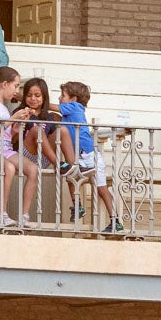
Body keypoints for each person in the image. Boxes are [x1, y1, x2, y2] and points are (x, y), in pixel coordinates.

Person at [0, 66, 38, 228]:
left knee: (33, 169)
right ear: (4, 84)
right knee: (8, 167)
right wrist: (12, 118)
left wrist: (20, 122)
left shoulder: (3, 106)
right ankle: (1, 215)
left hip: (5, 149)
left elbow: (9, 134)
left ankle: (24, 216)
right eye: (15, 86)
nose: (16, 91)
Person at [57, 81, 121, 233]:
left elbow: (52, 107)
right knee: (70, 174)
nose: (60, 98)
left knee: (102, 189)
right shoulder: (68, 112)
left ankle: (115, 222)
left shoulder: (75, 107)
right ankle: (77, 205)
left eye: (63, 95)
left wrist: (28, 99)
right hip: (79, 154)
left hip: (90, 155)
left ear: (73, 99)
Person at [13, 77, 76, 178]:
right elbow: (11, 140)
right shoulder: (19, 112)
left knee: (62, 130)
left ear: (44, 97)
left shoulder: (50, 117)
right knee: (37, 130)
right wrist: (19, 126)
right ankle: (59, 165)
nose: (33, 98)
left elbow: (57, 139)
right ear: (24, 97)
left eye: (37, 95)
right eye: (29, 95)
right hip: (22, 157)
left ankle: (73, 168)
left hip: (44, 158)